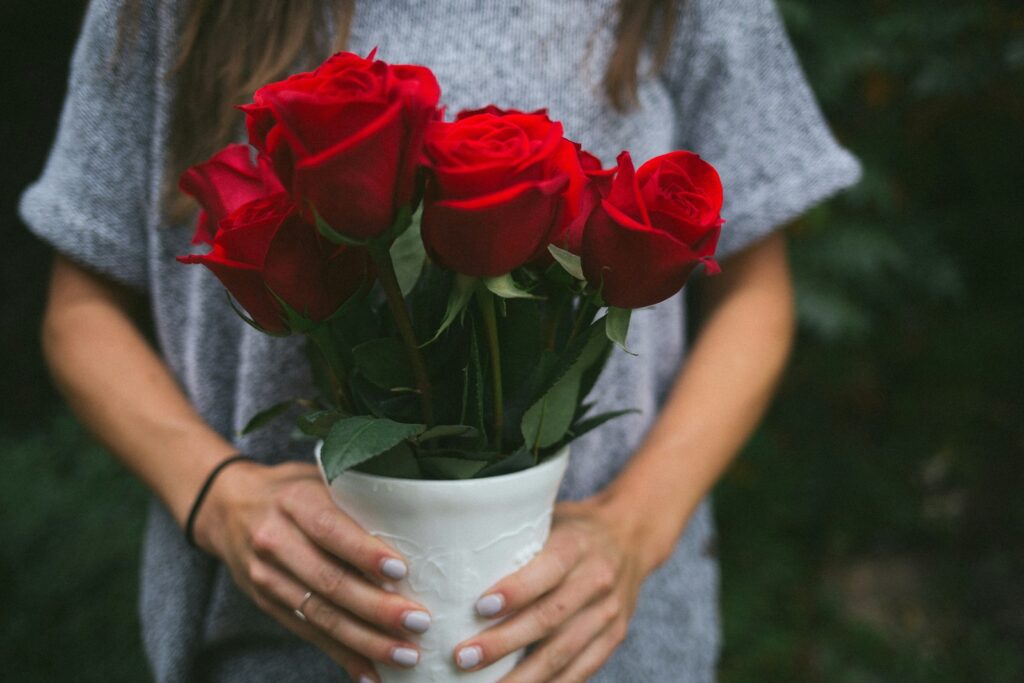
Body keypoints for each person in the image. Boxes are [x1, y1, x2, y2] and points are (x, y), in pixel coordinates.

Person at [21, 0, 860, 681]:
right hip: (269, 644)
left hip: (597, 642)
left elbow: (755, 289)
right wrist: (218, 495)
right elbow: (80, 307)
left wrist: (634, 529)